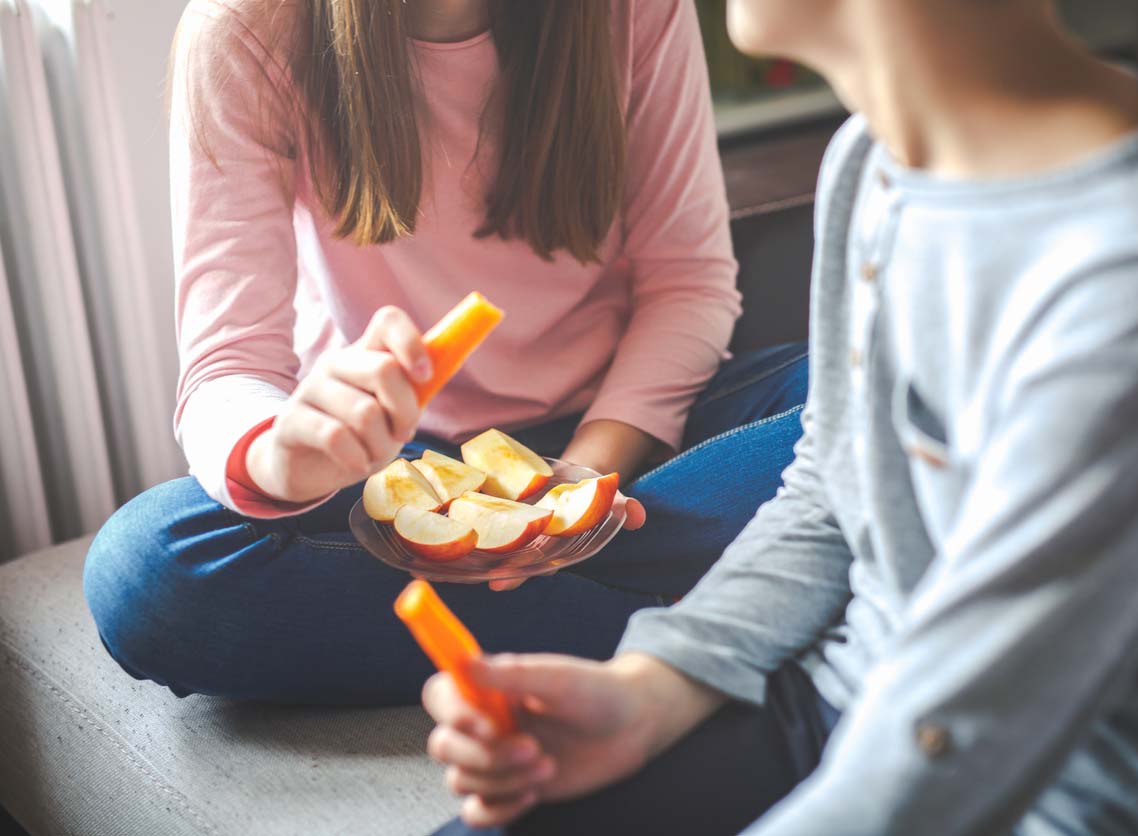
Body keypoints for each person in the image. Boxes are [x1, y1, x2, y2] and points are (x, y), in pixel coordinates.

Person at [422, 0, 1138, 833]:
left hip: (1060, 797)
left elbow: (962, 733)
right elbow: (831, 488)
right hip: (846, 700)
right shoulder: (875, 158)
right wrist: (652, 690)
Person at [81, 0, 809, 705]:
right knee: (146, 570)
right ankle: (706, 615)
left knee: (881, 400)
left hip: (618, 438)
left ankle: (671, 606)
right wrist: (283, 458)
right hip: (402, 470)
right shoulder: (245, 29)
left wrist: (577, 491)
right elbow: (227, 367)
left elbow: (689, 281)